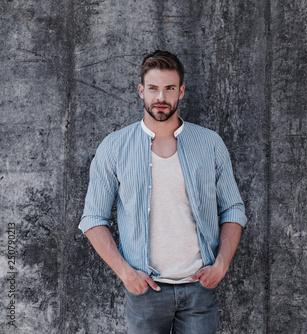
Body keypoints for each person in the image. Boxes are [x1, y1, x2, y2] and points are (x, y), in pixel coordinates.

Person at [79, 50, 247, 334]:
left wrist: (221, 265)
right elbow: (93, 218)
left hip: (199, 289)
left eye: (169, 88)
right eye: (154, 88)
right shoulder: (114, 147)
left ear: (181, 91)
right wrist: (125, 273)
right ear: (141, 91)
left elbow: (233, 208)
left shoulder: (210, 143)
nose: (161, 97)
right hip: (144, 292)